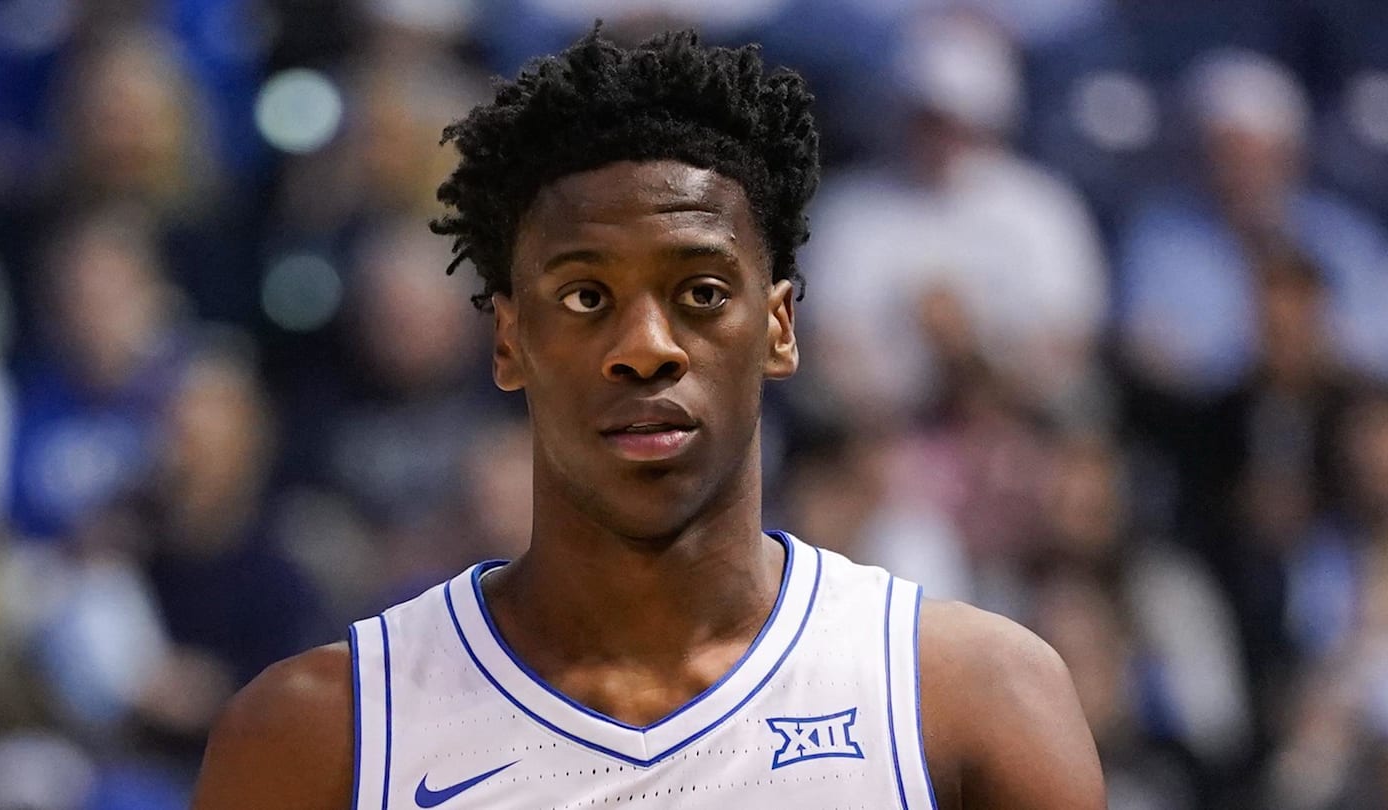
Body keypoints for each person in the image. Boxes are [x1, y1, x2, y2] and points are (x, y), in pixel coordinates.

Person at [191, 28, 1104, 809]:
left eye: (701, 292)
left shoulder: (972, 698)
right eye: (587, 296)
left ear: (781, 327)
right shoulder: (320, 735)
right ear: (507, 340)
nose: (645, 347)